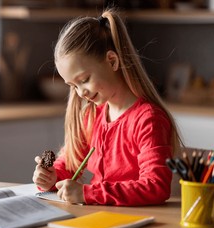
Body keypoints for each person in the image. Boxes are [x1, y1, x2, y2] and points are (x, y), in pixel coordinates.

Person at [32, 8, 182, 206]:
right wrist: (51, 177)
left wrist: (88, 194)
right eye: (73, 86)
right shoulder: (93, 116)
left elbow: (155, 186)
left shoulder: (148, 119)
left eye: (84, 80)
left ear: (112, 61)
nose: (80, 93)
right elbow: (69, 163)